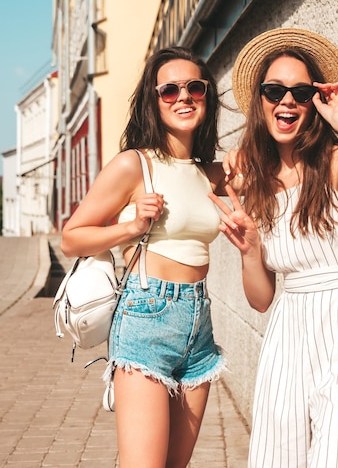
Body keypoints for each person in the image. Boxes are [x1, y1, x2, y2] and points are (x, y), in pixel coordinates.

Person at [209, 28, 338, 467]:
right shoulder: (255, 183)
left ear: (314, 100)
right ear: (259, 101)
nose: (287, 101)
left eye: (300, 92)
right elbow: (261, 301)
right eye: (274, 90)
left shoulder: (334, 160)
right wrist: (248, 249)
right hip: (287, 335)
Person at [61, 46, 229, 468]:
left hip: (199, 325)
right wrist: (132, 227)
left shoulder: (212, 173)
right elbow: (72, 238)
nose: (183, 97)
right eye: (169, 90)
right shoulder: (133, 165)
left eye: (195, 87)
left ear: (207, 97)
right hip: (145, 318)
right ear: (153, 101)